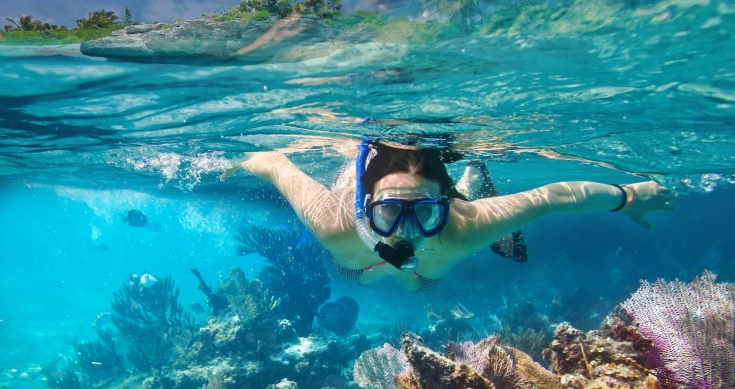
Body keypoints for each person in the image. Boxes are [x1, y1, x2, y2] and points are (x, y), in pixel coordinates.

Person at [221, 140, 676, 291]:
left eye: (424, 212)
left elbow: (553, 196)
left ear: (445, 206)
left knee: (421, 283)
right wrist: (235, 162)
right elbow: (275, 163)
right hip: (357, 263)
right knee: (354, 273)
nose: (405, 231)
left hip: (431, 256)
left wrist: (628, 196)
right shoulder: (334, 223)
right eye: (390, 211)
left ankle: (469, 181)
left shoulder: (463, 225)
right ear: (366, 207)